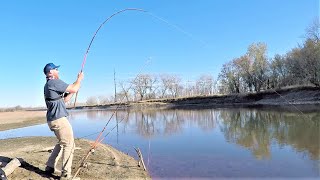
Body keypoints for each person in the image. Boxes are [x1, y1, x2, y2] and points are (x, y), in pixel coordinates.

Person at [43, 63, 84, 179]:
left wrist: (73, 90)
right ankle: (66, 174)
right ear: (51, 72)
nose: (58, 71)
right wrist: (79, 79)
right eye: (56, 69)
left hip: (53, 119)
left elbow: (64, 100)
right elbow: (74, 88)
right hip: (59, 119)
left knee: (62, 142)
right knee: (69, 144)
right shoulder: (53, 82)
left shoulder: (48, 84)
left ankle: (49, 166)